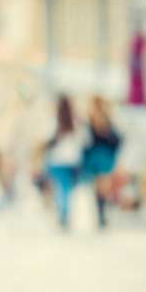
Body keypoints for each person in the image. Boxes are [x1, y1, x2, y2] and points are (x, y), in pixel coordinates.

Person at [45, 95, 89, 229]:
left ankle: (63, 213)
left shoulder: (53, 121)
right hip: (72, 161)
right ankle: (64, 213)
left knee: (61, 188)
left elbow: (45, 139)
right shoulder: (77, 122)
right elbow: (86, 141)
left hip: (56, 160)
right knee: (67, 189)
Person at [82, 95, 122, 228]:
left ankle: (101, 214)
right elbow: (117, 139)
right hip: (105, 156)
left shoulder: (91, 120)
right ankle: (102, 215)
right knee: (103, 188)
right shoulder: (106, 119)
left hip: (96, 157)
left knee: (99, 188)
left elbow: (87, 142)